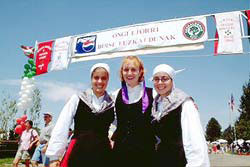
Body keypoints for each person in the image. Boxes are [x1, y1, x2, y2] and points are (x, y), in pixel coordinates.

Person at [46, 63, 115, 167]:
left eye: (103, 78)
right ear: (91, 79)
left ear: (108, 80)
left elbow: (123, 126)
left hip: (103, 154)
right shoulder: (77, 99)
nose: (100, 81)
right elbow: (62, 125)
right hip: (78, 152)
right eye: (96, 77)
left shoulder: (112, 104)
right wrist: (54, 156)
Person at [151, 64, 210, 167]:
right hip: (160, 160)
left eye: (164, 79)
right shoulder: (154, 104)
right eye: (156, 79)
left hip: (179, 160)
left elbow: (194, 139)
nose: (160, 82)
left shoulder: (184, 103)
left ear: (172, 81)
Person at [111, 56, 155, 167]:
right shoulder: (115, 95)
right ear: (121, 72)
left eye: (133, 69)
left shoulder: (153, 93)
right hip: (120, 154)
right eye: (126, 70)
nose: (129, 73)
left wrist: (188, 101)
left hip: (146, 154)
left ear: (140, 72)